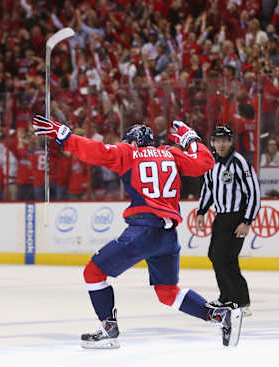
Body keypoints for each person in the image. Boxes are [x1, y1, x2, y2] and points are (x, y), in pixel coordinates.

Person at [32, 114, 244, 348]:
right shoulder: (171, 154)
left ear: (133, 142)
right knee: (168, 293)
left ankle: (108, 330)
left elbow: (97, 151)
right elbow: (204, 163)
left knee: (93, 273)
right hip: (168, 236)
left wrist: (65, 136)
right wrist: (190, 139)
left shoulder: (128, 153)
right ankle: (218, 316)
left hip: (143, 231)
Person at [197, 125, 261, 316]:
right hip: (221, 217)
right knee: (215, 255)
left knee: (223, 257)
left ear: (231, 142)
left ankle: (239, 301)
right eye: (217, 140)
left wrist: (247, 221)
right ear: (212, 143)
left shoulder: (240, 162)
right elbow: (208, 188)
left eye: (224, 140)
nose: (221, 144)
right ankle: (228, 297)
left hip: (237, 218)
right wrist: (202, 211)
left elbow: (254, 193)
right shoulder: (211, 163)